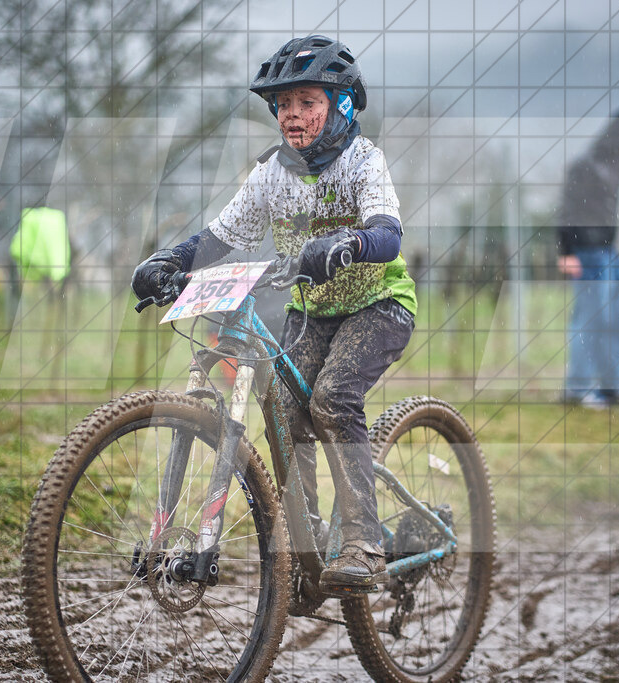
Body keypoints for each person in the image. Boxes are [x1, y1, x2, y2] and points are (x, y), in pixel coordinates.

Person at [131, 35, 417, 591]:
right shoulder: (270, 172)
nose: (292, 114)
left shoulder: (364, 161)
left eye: (307, 102)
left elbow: (387, 232)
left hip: (379, 305)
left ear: (342, 105)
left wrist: (349, 243)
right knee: (284, 407)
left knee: (332, 398)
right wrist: (171, 259)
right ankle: (307, 541)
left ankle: (363, 543)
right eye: (284, 104)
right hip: (314, 311)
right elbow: (222, 237)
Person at [556, 108, 619, 407]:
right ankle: (578, 389)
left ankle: (612, 385)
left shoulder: (616, 162)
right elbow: (566, 209)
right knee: (589, 321)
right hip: (585, 252)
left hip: (608, 251)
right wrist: (566, 251)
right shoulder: (585, 165)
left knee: (616, 318)